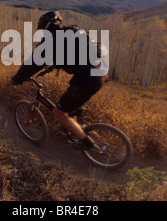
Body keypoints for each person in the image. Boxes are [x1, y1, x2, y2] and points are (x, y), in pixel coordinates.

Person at [11, 11, 107, 150]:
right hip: (100, 72)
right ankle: (75, 128)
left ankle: (87, 143)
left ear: (46, 26)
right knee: (70, 108)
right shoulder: (71, 31)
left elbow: (31, 64)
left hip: (87, 77)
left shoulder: (50, 41)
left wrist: (16, 79)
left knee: (58, 112)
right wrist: (50, 68)